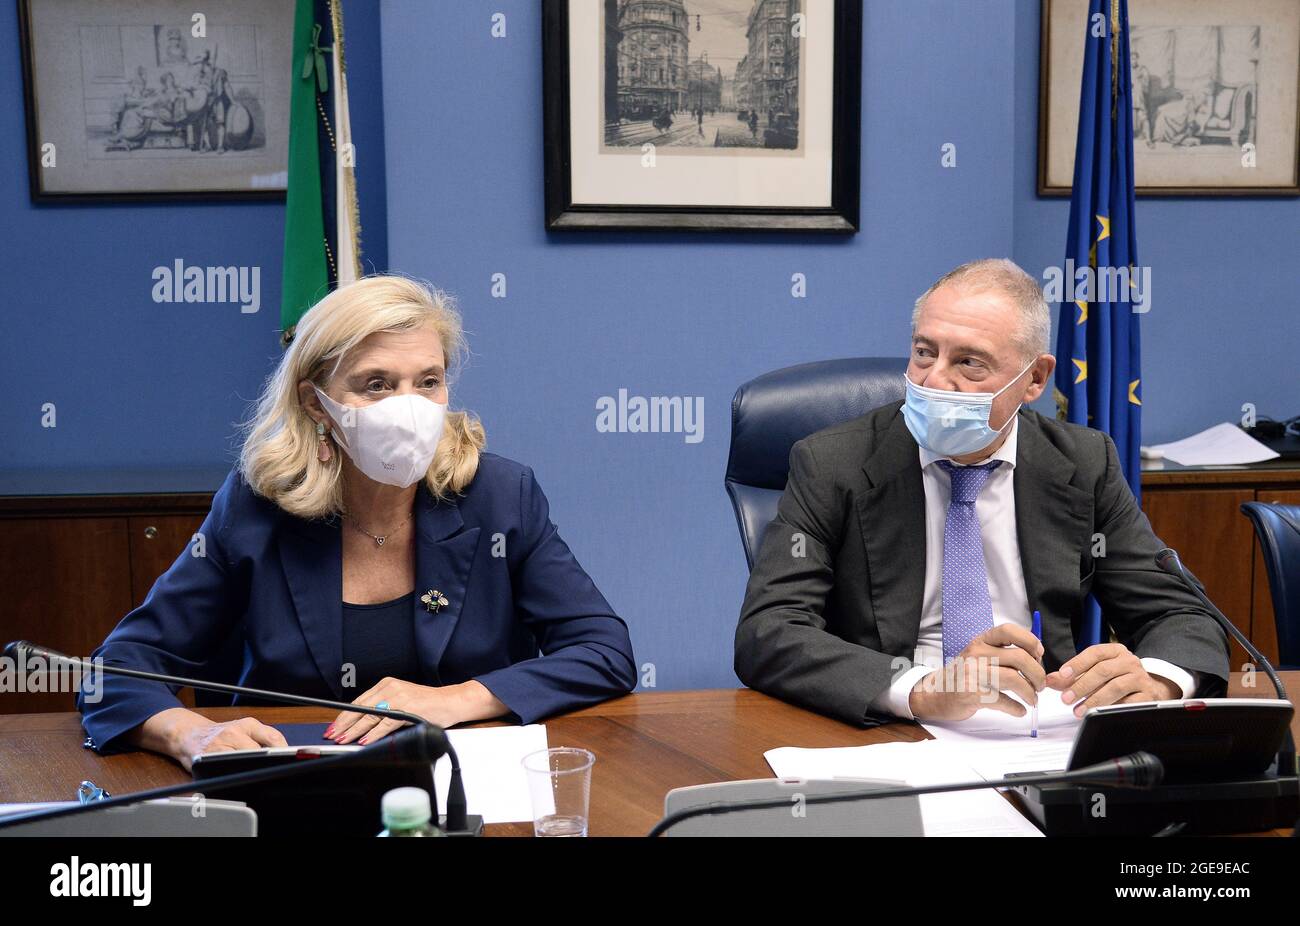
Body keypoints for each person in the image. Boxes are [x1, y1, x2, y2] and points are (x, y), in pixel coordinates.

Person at [78, 275, 637, 769]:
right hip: (297, 786)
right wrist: (191, 733)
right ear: (317, 404)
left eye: (428, 381)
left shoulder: (499, 495)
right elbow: (118, 672)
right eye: (376, 385)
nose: (410, 406)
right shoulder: (257, 506)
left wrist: (456, 698)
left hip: (467, 788)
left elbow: (604, 652)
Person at [735, 259, 1228, 727]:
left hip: (1041, 731)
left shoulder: (1082, 462)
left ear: (1034, 378)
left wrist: (1159, 683)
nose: (933, 380)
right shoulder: (833, 463)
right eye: (924, 352)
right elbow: (770, 631)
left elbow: (1179, 612)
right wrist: (921, 689)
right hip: (891, 731)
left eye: (969, 363)